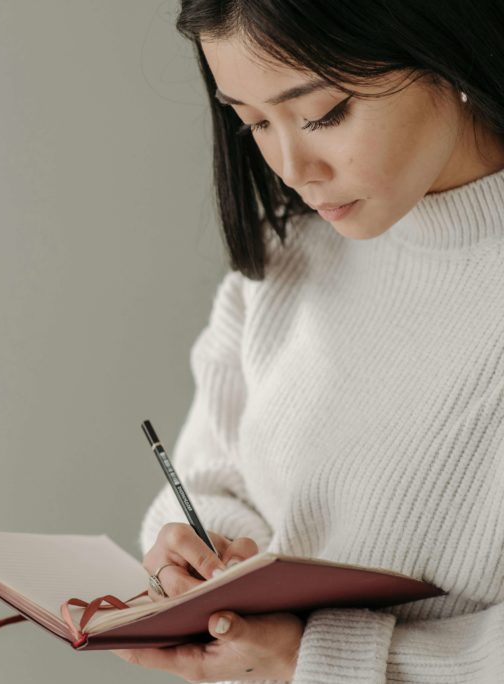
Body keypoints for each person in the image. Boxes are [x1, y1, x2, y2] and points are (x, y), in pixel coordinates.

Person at [111, 0, 504, 682]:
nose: (292, 166)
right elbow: (214, 478)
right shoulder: (289, 259)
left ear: (449, 48)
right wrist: (205, 560)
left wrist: (310, 659)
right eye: (254, 122)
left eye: (323, 113)